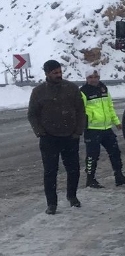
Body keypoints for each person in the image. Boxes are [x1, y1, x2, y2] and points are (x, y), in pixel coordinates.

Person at [27, 60, 86, 214]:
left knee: (73, 169)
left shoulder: (71, 88)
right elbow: (32, 115)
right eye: (55, 73)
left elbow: (81, 111)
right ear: (47, 73)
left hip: (70, 137)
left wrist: (77, 132)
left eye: (60, 72)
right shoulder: (39, 92)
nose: (58, 75)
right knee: (50, 172)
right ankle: (51, 204)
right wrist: (40, 132)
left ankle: (72, 196)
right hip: (49, 138)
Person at [80, 68, 125, 188]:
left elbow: (110, 107)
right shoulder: (83, 92)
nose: (94, 79)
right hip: (92, 129)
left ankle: (119, 176)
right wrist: (86, 123)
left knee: (115, 152)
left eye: (96, 77)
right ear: (86, 79)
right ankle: (90, 179)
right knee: (92, 155)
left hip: (106, 128)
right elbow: (80, 110)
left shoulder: (103, 88)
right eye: (91, 77)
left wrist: (116, 121)